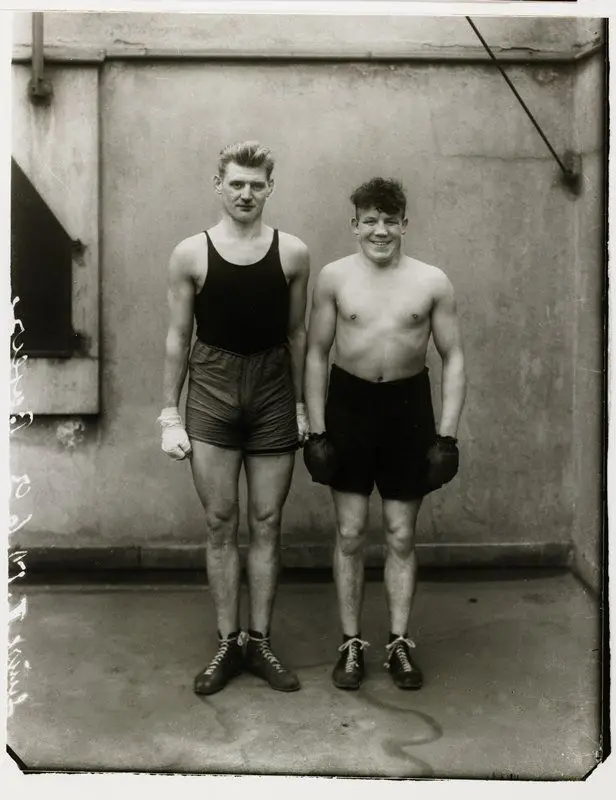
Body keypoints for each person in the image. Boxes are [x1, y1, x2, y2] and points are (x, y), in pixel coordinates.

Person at [159, 141, 310, 695]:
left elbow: (297, 335)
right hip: (213, 389)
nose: (246, 193)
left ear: (271, 187)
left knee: (267, 522)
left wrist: (300, 406)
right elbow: (179, 336)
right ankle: (227, 643)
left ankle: (260, 641)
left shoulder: (292, 253)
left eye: (257, 184)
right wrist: (167, 413)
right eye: (237, 183)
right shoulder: (191, 254)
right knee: (221, 521)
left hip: (272, 390)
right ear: (218, 186)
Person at [304, 177, 466, 691]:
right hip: (349, 407)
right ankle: (351, 644)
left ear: (404, 224)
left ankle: (398, 643)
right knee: (350, 533)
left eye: (389, 220)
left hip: (407, 409)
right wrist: (315, 429)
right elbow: (314, 354)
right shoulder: (333, 278)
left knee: (400, 532)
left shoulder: (432, 281)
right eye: (369, 220)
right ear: (355, 225)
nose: (380, 230)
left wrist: (447, 437)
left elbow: (454, 357)